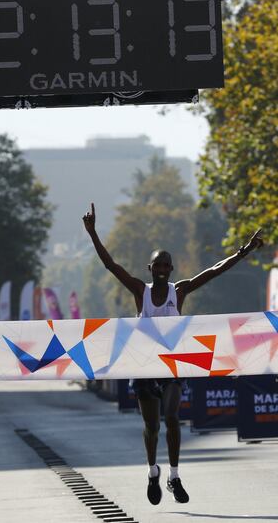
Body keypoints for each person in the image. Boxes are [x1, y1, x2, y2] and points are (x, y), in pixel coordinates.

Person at [82, 202, 263, 505]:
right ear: (150, 269)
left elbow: (214, 271)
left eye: (168, 265)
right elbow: (111, 266)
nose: (164, 269)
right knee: (152, 427)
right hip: (143, 367)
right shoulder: (140, 290)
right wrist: (93, 233)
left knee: (172, 417)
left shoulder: (179, 292)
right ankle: (153, 471)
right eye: (159, 265)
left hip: (172, 367)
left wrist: (243, 252)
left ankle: (174, 476)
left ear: (172, 270)